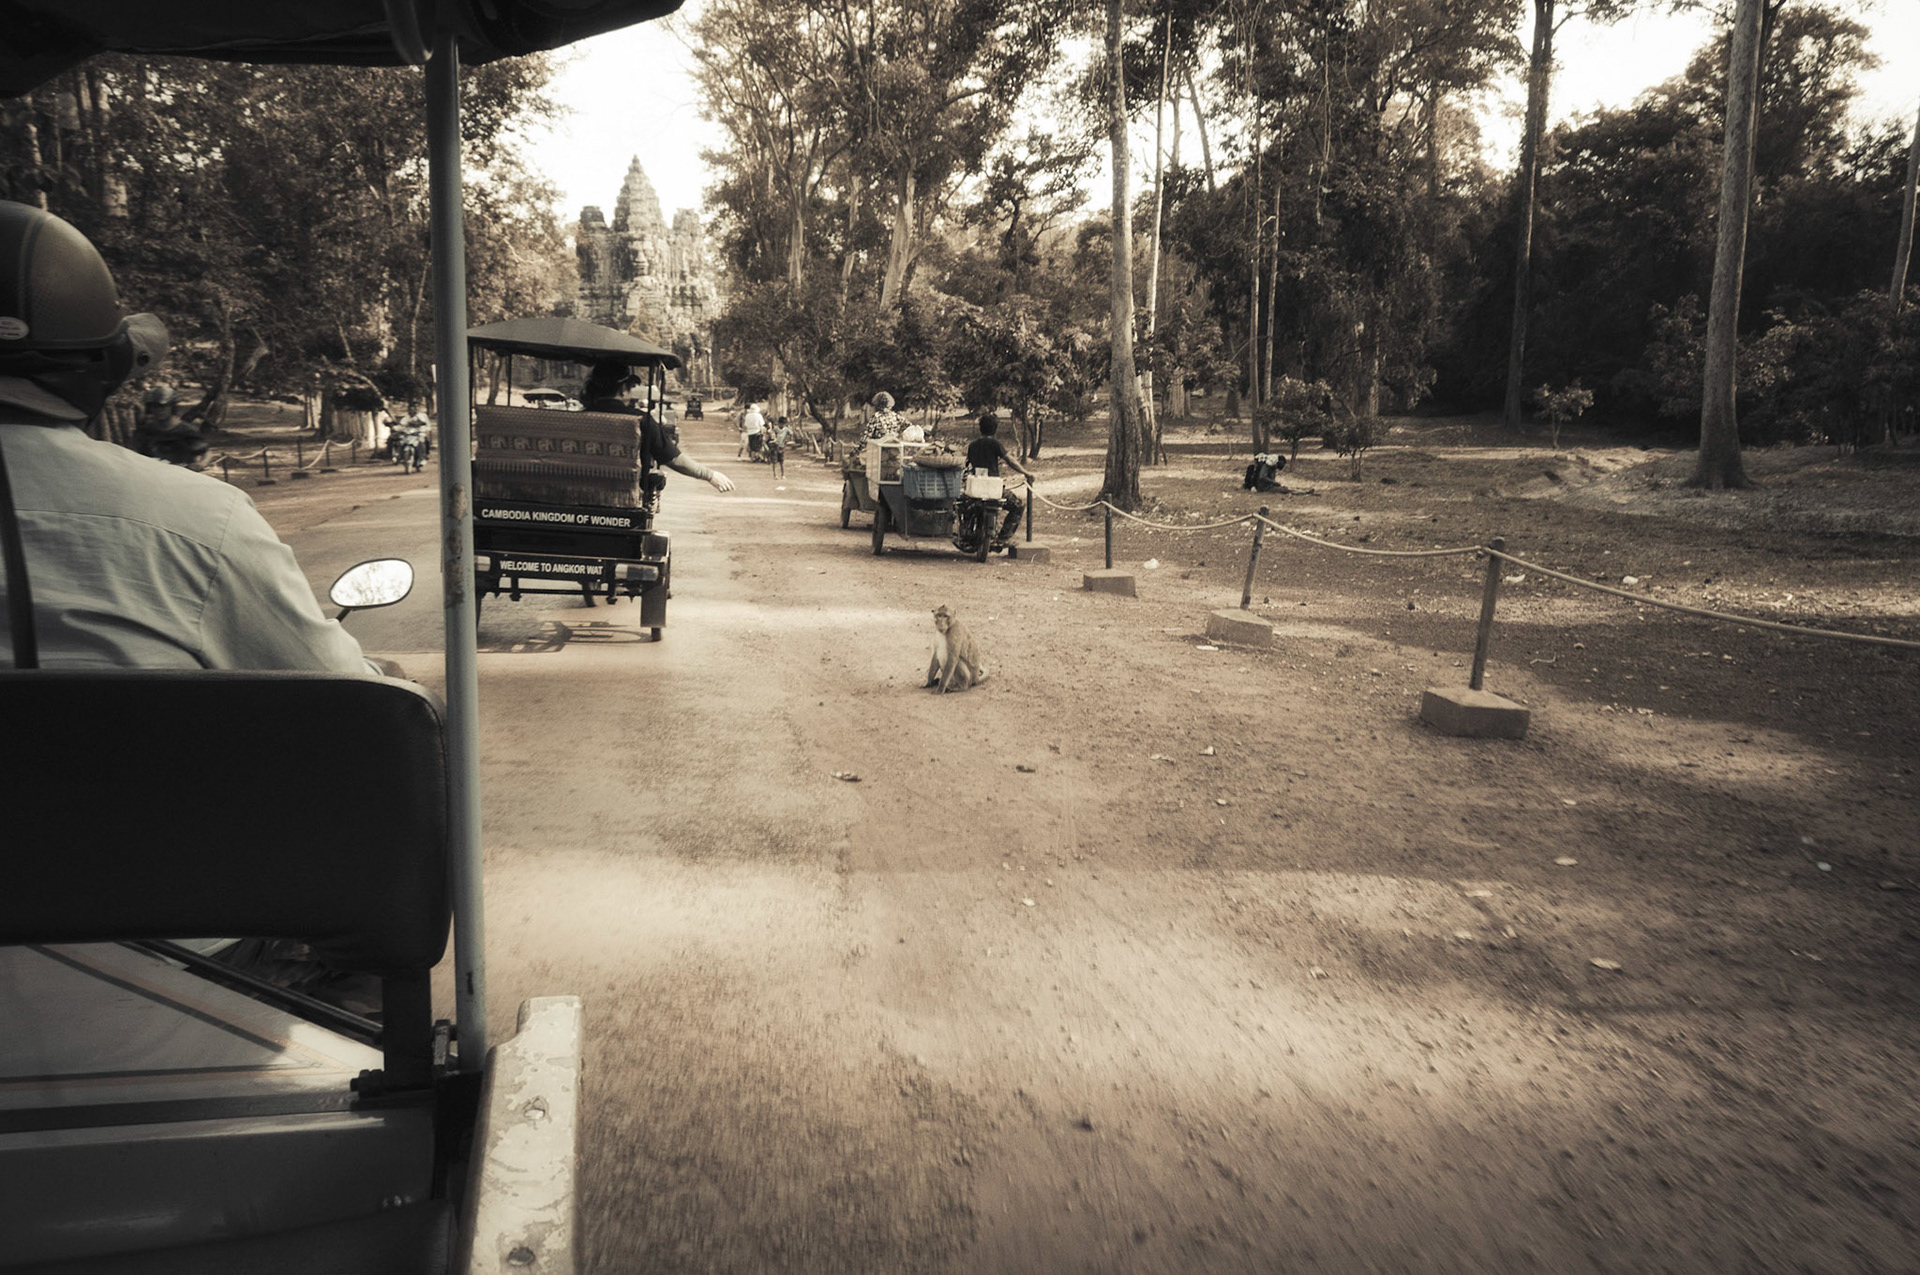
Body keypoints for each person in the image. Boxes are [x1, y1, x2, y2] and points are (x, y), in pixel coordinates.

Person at [0, 200, 373, 672]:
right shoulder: (204, 520)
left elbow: (192, 451)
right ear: (108, 367)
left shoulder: (183, 456)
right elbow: (337, 684)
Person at [581, 359, 735, 493]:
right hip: (627, 495)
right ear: (623, 389)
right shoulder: (640, 420)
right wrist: (709, 475)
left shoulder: (578, 418)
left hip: (576, 494)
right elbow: (674, 459)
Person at [964, 410, 1034, 546]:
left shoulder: (972, 446)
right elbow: (1010, 461)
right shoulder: (995, 444)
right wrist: (1025, 472)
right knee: (1018, 506)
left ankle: (967, 531)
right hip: (993, 489)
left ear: (980, 428)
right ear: (995, 429)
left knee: (965, 507)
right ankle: (1003, 538)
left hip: (975, 489)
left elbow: (968, 463)